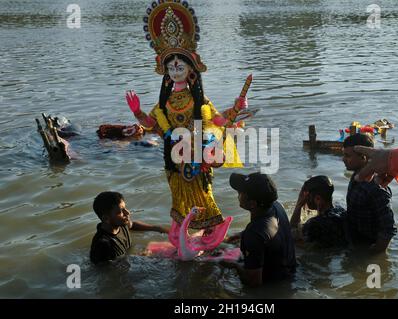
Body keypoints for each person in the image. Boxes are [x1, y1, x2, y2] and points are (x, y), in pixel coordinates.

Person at [125, 1, 247, 252]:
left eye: (180, 66)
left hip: (198, 157)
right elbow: (151, 126)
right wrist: (137, 112)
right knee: (179, 199)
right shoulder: (163, 104)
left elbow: (219, 121)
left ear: (191, 69)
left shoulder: (200, 101)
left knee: (205, 196)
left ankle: (209, 234)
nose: (175, 70)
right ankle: (181, 234)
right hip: (174, 158)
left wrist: (237, 107)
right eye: (171, 67)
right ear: (166, 73)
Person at [221, 172, 297, 287]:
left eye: (240, 192)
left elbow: (254, 283)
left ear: (252, 204)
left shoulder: (254, 233)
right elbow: (265, 233)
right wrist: (239, 235)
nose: (237, 194)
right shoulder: (276, 206)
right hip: (290, 271)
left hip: (275, 285)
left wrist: (233, 265)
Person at [342, 133, 397, 253]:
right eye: (343, 155)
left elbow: (388, 229)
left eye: (347, 156)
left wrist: (372, 254)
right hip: (355, 239)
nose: (343, 159)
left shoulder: (376, 187)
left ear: (364, 157)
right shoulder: (357, 176)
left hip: (367, 245)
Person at [90, 191, 169, 264]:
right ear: (106, 219)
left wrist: (157, 228)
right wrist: (139, 258)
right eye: (121, 211)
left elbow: (133, 225)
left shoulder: (121, 224)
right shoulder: (103, 245)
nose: (127, 212)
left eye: (125, 208)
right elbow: (110, 270)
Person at [290, 176, 348, 247]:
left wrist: (298, 206)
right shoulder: (341, 211)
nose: (304, 199)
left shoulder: (314, 224)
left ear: (318, 199)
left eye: (306, 196)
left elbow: (290, 234)